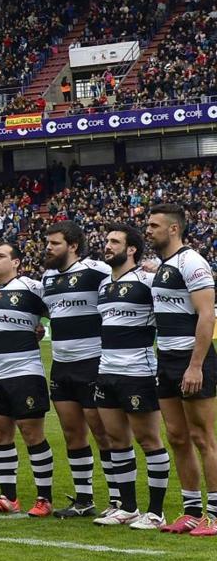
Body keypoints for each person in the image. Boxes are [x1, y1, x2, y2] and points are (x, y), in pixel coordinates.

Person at [93, 223, 171, 529]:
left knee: (149, 439)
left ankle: (156, 512)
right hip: (106, 370)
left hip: (138, 370)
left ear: (132, 249)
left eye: (114, 241)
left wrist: (161, 267)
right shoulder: (103, 286)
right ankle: (127, 507)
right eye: (107, 240)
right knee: (116, 440)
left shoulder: (148, 280)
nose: (107, 245)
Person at [145, 203, 217, 534]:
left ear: (173, 229)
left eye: (153, 225)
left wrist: (196, 365)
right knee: (177, 436)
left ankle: (215, 515)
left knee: (203, 437)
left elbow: (206, 315)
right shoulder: (164, 266)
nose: (148, 230)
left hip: (192, 360)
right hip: (167, 359)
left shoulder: (192, 262)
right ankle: (190, 511)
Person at [40, 220, 113, 519]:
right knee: (72, 433)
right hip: (61, 365)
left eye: (54, 243)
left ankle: (120, 500)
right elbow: (46, 312)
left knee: (103, 432)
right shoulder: (47, 278)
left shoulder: (98, 271)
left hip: (93, 363)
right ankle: (84, 499)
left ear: (72, 245)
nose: (48, 247)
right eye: (47, 242)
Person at [0, 243, 55, 516]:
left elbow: (56, 313)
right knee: (0, 434)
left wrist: (41, 329)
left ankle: (44, 498)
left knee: (32, 434)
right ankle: (8, 496)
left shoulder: (33, 288)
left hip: (24, 371)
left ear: (17, 262)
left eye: (0, 256)